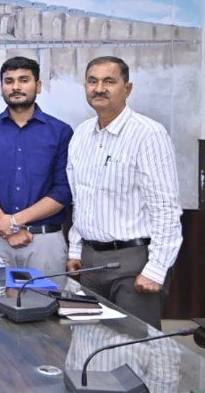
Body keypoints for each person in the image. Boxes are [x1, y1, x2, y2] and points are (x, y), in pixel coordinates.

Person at [66, 56, 182, 329]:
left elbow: (165, 207)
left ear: (127, 89)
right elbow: (80, 199)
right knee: (88, 341)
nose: (99, 88)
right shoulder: (81, 134)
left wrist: (157, 269)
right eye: (92, 81)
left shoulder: (148, 134)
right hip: (90, 263)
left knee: (133, 345)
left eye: (109, 81)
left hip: (133, 264)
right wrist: (75, 250)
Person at [0, 56, 73, 274]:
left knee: (46, 296)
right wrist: (6, 227)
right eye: (9, 81)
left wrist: (13, 221)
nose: (16, 87)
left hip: (45, 241)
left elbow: (63, 190)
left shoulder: (60, 131)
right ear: (1, 87)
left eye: (23, 80)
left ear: (38, 86)